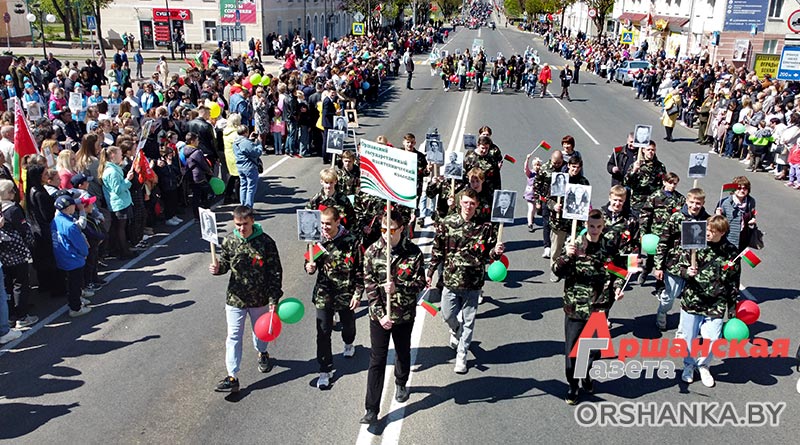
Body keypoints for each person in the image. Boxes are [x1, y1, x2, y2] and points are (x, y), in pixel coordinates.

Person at [427, 188, 504, 374]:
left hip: (473, 282)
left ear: (477, 206)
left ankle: (462, 355)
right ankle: (456, 329)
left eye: (472, 203)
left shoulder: (485, 227)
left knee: (469, 322)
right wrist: (430, 272)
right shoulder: (448, 223)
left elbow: (489, 255)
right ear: (460, 202)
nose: (468, 206)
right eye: (466, 202)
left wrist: (496, 252)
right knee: (447, 315)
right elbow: (438, 249)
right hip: (451, 280)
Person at [359, 210, 425, 425]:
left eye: (392, 229)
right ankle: (371, 408)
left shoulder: (413, 252)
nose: (387, 233)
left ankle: (401, 381)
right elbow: (370, 288)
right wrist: (381, 315)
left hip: (403, 314)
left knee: (402, 351)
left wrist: (399, 286)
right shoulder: (372, 252)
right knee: (376, 360)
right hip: (380, 316)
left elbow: (420, 283)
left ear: (401, 229)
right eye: (383, 229)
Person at [552, 208, 623, 405]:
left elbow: (617, 271)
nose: (595, 230)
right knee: (572, 351)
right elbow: (556, 271)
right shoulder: (574, 244)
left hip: (599, 305)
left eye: (598, 226)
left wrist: (618, 288)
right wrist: (567, 256)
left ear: (603, 226)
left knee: (592, 350)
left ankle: (586, 375)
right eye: (591, 226)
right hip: (576, 306)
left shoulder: (609, 246)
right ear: (585, 225)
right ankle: (573, 384)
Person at [209, 205, 283, 393]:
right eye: (238, 225)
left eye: (245, 224)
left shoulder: (266, 242)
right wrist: (218, 269)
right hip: (236, 298)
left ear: (253, 222)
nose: (241, 228)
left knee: (260, 333)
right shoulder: (230, 240)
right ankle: (232, 376)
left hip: (259, 298)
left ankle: (262, 352)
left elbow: (275, 271)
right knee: (233, 336)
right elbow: (225, 263)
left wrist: (274, 298)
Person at [304, 206, 363, 389]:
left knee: (348, 326)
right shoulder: (317, 241)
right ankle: (325, 370)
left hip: (345, 293)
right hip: (324, 294)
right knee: (323, 333)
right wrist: (309, 267)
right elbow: (308, 262)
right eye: (322, 223)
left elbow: (360, 269)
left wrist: (357, 294)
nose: (324, 227)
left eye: (328, 224)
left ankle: (349, 342)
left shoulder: (352, 241)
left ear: (338, 221)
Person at [677, 215, 739, 388]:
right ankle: (688, 365)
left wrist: (732, 308)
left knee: (712, 339)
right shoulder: (695, 243)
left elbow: (734, 281)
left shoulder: (731, 252)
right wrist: (686, 272)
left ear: (722, 232)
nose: (708, 234)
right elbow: (677, 265)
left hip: (716, 302)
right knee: (688, 338)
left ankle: (703, 365)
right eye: (708, 230)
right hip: (693, 299)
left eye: (713, 231)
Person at [653, 188, 710, 331]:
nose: (694, 206)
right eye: (692, 202)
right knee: (670, 296)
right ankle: (662, 312)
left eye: (698, 203)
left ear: (703, 203)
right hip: (676, 265)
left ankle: (683, 329)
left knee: (690, 299)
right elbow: (663, 242)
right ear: (687, 201)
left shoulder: (707, 220)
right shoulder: (676, 217)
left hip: (696, 266)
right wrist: (658, 266)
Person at [0, 180, 38, 328]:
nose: (14, 193)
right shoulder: (13, 209)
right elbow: (24, 230)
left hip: (3, 255)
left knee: (7, 286)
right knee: (20, 284)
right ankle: (22, 316)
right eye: (12, 191)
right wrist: (31, 243)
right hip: (17, 253)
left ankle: (11, 316)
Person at [638, 172, 685, 287]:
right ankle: (646, 270)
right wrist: (643, 232)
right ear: (664, 182)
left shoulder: (679, 198)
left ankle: (659, 284)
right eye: (670, 183)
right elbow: (645, 214)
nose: (672, 186)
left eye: (675, 184)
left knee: (665, 259)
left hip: (671, 234)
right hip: (656, 233)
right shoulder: (655, 196)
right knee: (652, 257)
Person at [547, 156, 589, 282]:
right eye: (573, 167)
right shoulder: (560, 179)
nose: (575, 170)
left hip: (576, 222)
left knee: (575, 247)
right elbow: (549, 199)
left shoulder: (583, 182)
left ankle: (571, 270)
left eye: (578, 167)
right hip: (559, 221)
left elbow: (586, 201)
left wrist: (586, 217)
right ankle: (555, 270)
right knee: (556, 248)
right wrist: (554, 206)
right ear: (569, 165)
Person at [51, 195, 92, 317]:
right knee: (75, 283)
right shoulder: (70, 226)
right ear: (68, 208)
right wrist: (85, 253)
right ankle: (75, 308)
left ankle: (77, 299)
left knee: (71, 283)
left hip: (61, 256)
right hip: (73, 258)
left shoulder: (55, 221)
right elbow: (80, 244)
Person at [98, 146, 135, 259]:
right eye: (119, 154)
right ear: (113, 155)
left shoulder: (112, 169)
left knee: (119, 228)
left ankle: (120, 249)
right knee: (120, 229)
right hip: (119, 204)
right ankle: (123, 252)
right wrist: (128, 180)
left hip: (120, 202)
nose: (121, 156)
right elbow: (118, 189)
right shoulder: (111, 172)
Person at [534, 150, 564, 259]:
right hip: (546, 200)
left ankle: (559, 246)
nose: (556, 165)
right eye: (554, 163)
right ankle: (547, 246)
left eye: (559, 163)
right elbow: (537, 185)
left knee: (560, 224)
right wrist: (537, 201)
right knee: (546, 223)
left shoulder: (565, 168)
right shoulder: (544, 168)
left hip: (561, 202)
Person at [716, 176, 756, 251]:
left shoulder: (751, 201)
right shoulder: (724, 203)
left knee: (739, 258)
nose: (742, 190)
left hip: (743, 240)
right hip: (727, 240)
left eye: (745, 188)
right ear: (733, 189)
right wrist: (718, 216)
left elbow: (752, 215)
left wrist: (752, 220)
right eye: (739, 188)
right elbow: (716, 223)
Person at [625, 141, 667, 212]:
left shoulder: (660, 166)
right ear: (643, 150)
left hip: (654, 202)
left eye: (652, 150)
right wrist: (634, 171)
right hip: (639, 202)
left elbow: (664, 183)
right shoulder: (636, 165)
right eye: (648, 149)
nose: (650, 152)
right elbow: (626, 182)